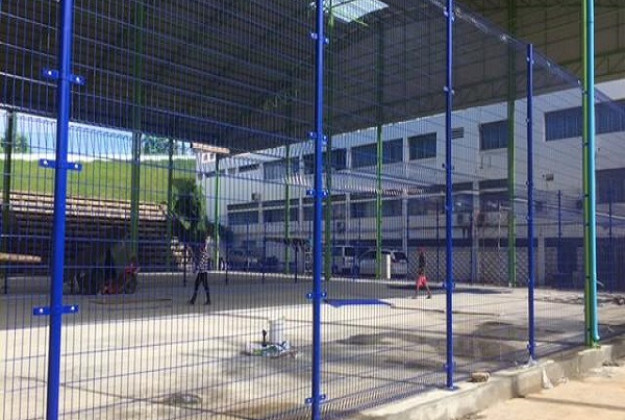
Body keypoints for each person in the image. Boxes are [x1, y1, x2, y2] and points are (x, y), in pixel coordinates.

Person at [188, 241, 212, 305]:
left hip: (203, 273)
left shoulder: (204, 255)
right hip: (201, 272)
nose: (200, 248)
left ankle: (208, 300)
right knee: (198, 285)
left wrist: (196, 269)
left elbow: (200, 264)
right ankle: (193, 300)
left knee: (204, 286)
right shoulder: (203, 254)